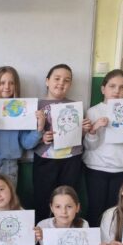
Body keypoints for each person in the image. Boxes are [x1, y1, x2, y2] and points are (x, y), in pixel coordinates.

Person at [0, 66, 45, 214]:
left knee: (6, 208)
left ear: (16, 86)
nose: (7, 87)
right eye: (2, 82)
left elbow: (27, 143)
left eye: (11, 83)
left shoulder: (22, 109)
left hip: (9, 164)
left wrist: (39, 128)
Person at [83, 69, 123, 226]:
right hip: (96, 168)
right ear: (103, 89)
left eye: (122, 87)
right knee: (95, 210)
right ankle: (95, 240)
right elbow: (89, 146)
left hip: (121, 169)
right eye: (112, 86)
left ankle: (113, 239)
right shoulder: (93, 111)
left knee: (116, 212)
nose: (117, 91)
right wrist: (94, 130)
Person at [32, 64, 92, 222]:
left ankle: (68, 232)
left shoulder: (75, 106)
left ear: (70, 84)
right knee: (43, 200)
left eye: (66, 80)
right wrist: (42, 138)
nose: (61, 83)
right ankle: (43, 233)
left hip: (71, 160)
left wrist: (84, 130)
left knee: (69, 200)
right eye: (57, 79)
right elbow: (29, 137)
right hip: (45, 160)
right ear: (47, 81)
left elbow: (78, 136)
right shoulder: (36, 105)